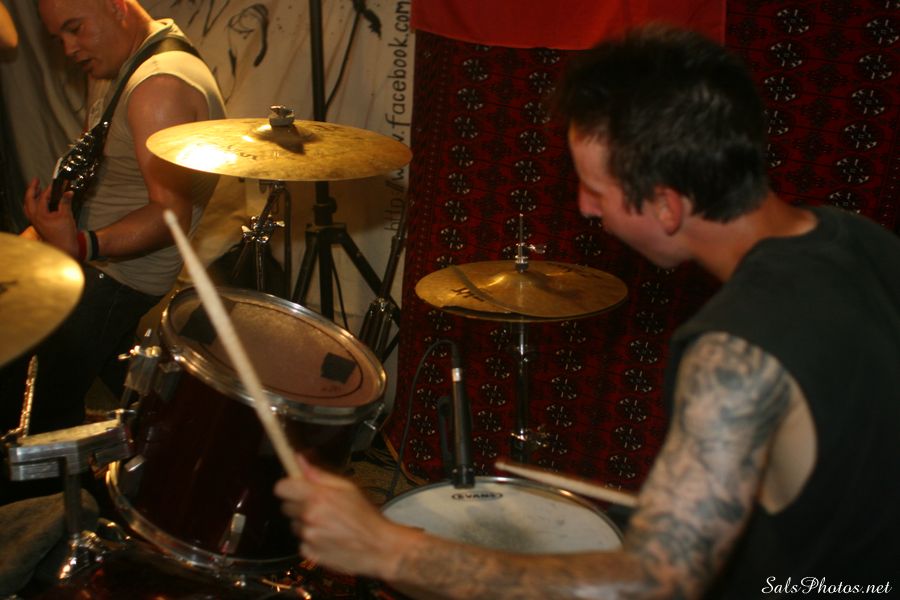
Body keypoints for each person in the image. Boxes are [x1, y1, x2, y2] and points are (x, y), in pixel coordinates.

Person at [275, 25, 900, 598]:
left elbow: (651, 585)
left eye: (596, 190)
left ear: (667, 206)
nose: (585, 209)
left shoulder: (735, 352)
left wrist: (387, 548)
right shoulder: (861, 240)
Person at [1, 0, 225, 435]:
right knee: (138, 398)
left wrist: (80, 244)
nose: (69, 48)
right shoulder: (129, 59)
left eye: (75, 28)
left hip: (116, 277)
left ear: (116, 6)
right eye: (58, 38)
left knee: (33, 416)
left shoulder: (159, 86)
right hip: (98, 262)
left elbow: (170, 216)